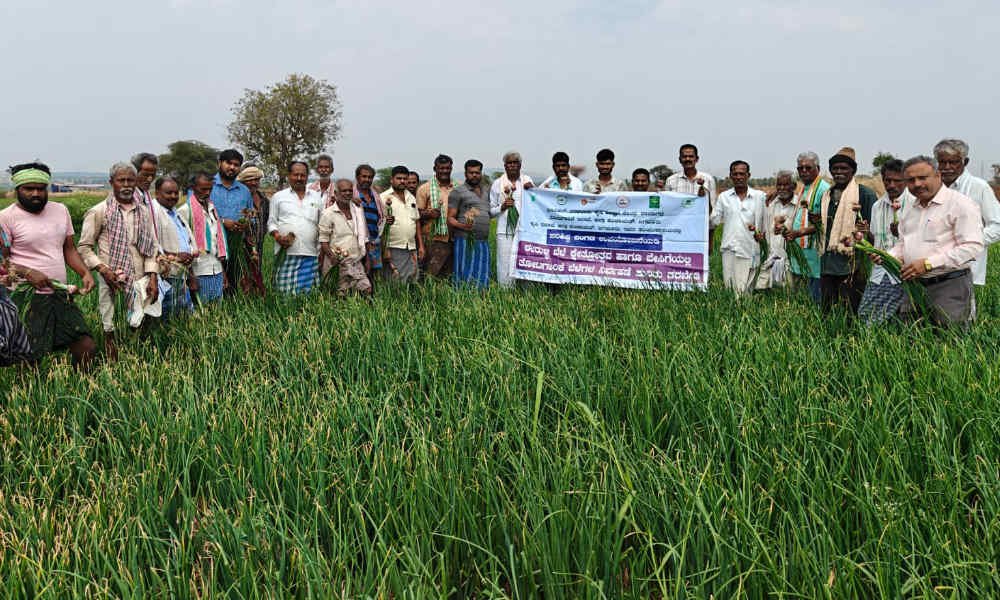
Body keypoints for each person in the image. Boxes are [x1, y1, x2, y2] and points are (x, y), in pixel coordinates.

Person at [866, 156, 983, 326]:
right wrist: (888, 256)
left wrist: (928, 264)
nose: (917, 184)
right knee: (913, 335)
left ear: (938, 175)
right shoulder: (910, 208)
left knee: (949, 335)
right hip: (913, 285)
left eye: (922, 178)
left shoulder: (960, 204)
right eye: (911, 180)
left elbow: (972, 247)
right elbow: (903, 244)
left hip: (948, 284)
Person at [0, 161, 97, 368]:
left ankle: (82, 386)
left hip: (60, 294)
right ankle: (29, 389)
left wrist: (85, 273)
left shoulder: (60, 210)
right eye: (29, 189)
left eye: (41, 188)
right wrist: (27, 272)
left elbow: (69, 249)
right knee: (29, 356)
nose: (36, 193)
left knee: (85, 346)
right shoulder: (6, 218)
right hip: (27, 297)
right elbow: (2, 261)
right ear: (17, 189)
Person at [78, 162, 160, 358]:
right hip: (112, 277)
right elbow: (84, 247)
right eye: (121, 180)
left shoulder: (142, 211)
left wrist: (153, 277)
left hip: (140, 278)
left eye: (130, 180)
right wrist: (103, 269)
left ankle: (136, 358)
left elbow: (152, 247)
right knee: (111, 322)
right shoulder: (99, 211)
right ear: (111, 182)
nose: (126, 185)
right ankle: (112, 358)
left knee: (139, 323)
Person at [815, 147, 876, 314]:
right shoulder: (827, 195)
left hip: (853, 264)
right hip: (828, 263)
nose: (839, 172)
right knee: (827, 310)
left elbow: (874, 232)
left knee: (851, 310)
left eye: (844, 168)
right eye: (835, 168)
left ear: (853, 171)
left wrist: (865, 231)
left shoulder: (865, 194)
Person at [933, 139, 1000, 287]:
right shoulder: (932, 188)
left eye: (953, 162)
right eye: (942, 162)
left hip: (967, 273)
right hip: (932, 273)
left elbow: (997, 225)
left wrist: (969, 242)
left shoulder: (979, 187)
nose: (947, 167)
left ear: (965, 162)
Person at [858, 159, 913, 325]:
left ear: (906, 180)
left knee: (902, 319)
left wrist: (900, 234)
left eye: (897, 181)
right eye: (887, 180)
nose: (891, 185)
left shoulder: (914, 204)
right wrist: (865, 234)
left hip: (905, 272)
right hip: (880, 272)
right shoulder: (877, 206)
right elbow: (876, 240)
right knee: (867, 315)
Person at [709, 160, 767, 296]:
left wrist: (763, 236)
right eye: (735, 174)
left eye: (742, 174)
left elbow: (767, 220)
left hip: (751, 249)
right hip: (730, 249)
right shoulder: (724, 197)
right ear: (730, 176)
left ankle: (746, 308)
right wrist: (705, 201)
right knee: (730, 289)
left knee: (746, 291)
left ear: (748, 175)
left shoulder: (759, 197)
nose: (738, 177)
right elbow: (714, 221)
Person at [268, 161, 323, 294]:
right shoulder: (278, 197)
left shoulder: (316, 197)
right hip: (286, 252)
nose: (299, 178)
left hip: (310, 253)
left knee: (308, 293)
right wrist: (278, 237)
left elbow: (322, 223)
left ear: (307, 176)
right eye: (295, 174)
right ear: (289, 175)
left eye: (302, 175)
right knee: (284, 293)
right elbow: (271, 223)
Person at [783, 151, 831, 301]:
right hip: (802, 250)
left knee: (816, 291)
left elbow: (824, 222)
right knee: (803, 294)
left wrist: (799, 233)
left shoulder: (823, 189)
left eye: (808, 168)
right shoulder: (804, 187)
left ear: (818, 168)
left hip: (815, 251)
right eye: (800, 168)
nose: (804, 171)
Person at [177, 173, 227, 304]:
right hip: (199, 270)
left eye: (210, 189)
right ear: (193, 188)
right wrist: (191, 277)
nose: (207, 193)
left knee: (217, 309)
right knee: (201, 309)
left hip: (216, 269)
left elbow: (217, 241)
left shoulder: (212, 208)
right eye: (203, 189)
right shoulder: (185, 210)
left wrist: (223, 272)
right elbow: (184, 246)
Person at [150, 176, 196, 317]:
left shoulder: (175, 212)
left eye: (176, 193)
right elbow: (152, 245)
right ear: (157, 193)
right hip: (165, 275)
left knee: (182, 317)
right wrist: (175, 256)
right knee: (168, 318)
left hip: (181, 273)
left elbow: (186, 238)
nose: (173, 196)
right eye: (169, 193)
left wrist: (190, 256)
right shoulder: (153, 212)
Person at [210, 149, 254, 295]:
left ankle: (232, 304)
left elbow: (250, 215)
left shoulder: (244, 191)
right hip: (211, 245)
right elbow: (196, 216)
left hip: (236, 245)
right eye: (228, 163)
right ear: (219, 163)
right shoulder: (207, 185)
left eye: (236, 165)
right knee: (213, 281)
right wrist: (222, 222)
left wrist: (246, 223)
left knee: (234, 281)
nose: (232, 167)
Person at [318, 179, 371, 296]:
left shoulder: (358, 211)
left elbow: (364, 237)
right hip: (336, 263)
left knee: (366, 291)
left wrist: (367, 260)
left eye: (350, 191)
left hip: (356, 261)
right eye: (344, 191)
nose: (347, 193)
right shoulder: (328, 214)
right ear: (336, 194)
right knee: (339, 296)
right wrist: (332, 257)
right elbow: (323, 240)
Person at [489, 151, 534, 287]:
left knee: (525, 260)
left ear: (520, 165)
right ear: (505, 166)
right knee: (505, 263)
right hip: (504, 231)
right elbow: (491, 212)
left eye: (515, 162)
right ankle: (506, 292)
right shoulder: (497, 184)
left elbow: (535, 203)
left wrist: (532, 191)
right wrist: (502, 207)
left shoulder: (527, 181)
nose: (512, 165)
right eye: (509, 163)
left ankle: (527, 291)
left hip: (524, 230)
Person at [448, 159, 492, 288]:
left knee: (482, 273)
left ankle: (481, 298)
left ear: (481, 173)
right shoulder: (458, 192)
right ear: (465, 174)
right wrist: (463, 226)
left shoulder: (487, 191)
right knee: (465, 272)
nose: (474, 175)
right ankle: (463, 298)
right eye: (471, 172)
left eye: (477, 172)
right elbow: (450, 218)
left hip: (483, 241)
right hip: (465, 240)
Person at [666, 144, 716, 252]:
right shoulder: (671, 181)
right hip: (678, 234)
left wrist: (710, 241)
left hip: (700, 234)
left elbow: (711, 212)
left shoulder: (708, 179)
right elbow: (668, 210)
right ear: (680, 159)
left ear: (697, 159)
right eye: (684, 156)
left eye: (691, 156)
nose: (687, 159)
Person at [380, 166, 424, 283]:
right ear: (391, 180)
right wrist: (385, 248)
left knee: (412, 279)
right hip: (393, 246)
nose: (402, 181)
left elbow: (416, 221)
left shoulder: (411, 197)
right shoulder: (383, 198)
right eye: (399, 178)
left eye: (405, 178)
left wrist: (421, 246)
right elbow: (379, 224)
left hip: (411, 246)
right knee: (395, 280)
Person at [416, 155, 456, 279]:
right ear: (435, 168)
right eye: (441, 168)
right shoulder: (424, 189)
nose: (445, 171)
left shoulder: (457, 188)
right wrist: (428, 214)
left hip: (453, 239)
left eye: (447, 168)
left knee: (450, 276)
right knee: (431, 276)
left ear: (451, 168)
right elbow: (417, 215)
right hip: (433, 239)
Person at [760, 171, 799, 289]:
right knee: (763, 290)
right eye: (779, 185)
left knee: (789, 292)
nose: (782, 188)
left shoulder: (799, 205)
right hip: (770, 256)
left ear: (794, 186)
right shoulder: (770, 204)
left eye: (786, 185)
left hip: (791, 260)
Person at [234, 165, 268, 295]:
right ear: (242, 181)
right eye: (250, 179)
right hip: (240, 245)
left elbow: (266, 221)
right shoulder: (238, 199)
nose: (254, 183)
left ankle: (256, 296)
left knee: (256, 271)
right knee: (242, 274)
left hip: (258, 245)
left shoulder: (264, 200)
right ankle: (242, 298)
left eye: (256, 179)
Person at [354, 164, 386, 282]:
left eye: (370, 177)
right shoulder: (352, 195)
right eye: (364, 176)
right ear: (357, 177)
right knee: (358, 275)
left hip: (374, 242)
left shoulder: (375, 196)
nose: (367, 180)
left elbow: (381, 217)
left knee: (374, 277)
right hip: (357, 243)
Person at [131, 152, 162, 240]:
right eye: (145, 175)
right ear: (134, 173)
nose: (149, 179)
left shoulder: (146, 195)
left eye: (153, 175)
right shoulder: (128, 198)